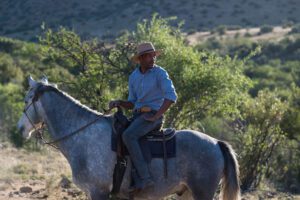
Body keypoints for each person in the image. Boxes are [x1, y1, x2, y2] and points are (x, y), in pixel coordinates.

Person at [109, 42, 177, 191]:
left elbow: (171, 97)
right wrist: (119, 102)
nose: (152, 58)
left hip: (153, 116)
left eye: (153, 55)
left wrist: (157, 116)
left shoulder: (160, 73)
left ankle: (146, 179)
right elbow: (133, 103)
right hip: (138, 116)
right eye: (148, 56)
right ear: (140, 59)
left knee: (129, 136)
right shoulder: (133, 76)